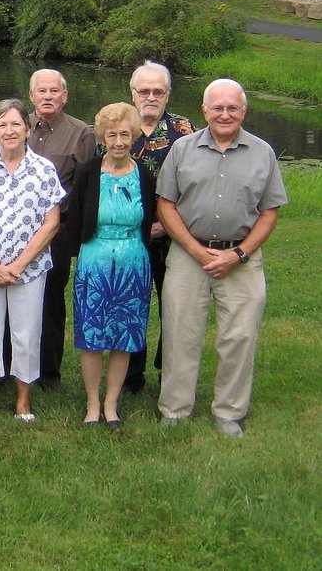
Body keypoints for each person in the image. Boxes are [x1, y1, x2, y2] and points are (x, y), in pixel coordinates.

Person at [156, 79, 287, 438]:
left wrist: (239, 254)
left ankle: (229, 412)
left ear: (243, 111)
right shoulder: (182, 149)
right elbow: (165, 205)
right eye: (217, 107)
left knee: (240, 336)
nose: (225, 114)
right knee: (180, 332)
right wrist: (196, 250)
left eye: (232, 108)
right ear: (205, 111)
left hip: (242, 257)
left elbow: (269, 212)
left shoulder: (262, 153)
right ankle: (175, 409)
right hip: (188, 254)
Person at [0, 99, 65, 423]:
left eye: (16, 124)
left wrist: (19, 265)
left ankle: (23, 401)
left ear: (27, 129)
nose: (9, 131)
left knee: (27, 333)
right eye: (2, 124)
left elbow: (51, 222)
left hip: (30, 269)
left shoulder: (44, 169)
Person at [67, 103, 156, 427]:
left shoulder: (144, 174)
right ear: (103, 137)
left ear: (134, 136)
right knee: (92, 334)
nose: (118, 141)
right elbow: (76, 217)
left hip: (133, 263)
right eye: (112, 135)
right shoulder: (89, 172)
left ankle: (111, 404)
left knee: (124, 334)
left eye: (125, 135)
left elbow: (150, 218)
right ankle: (93, 403)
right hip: (95, 260)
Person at [122, 61, 194, 393]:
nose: (150, 97)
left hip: (173, 236)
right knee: (131, 305)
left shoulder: (184, 130)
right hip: (128, 238)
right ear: (133, 93)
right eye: (144, 91)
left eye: (158, 91)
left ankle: (170, 373)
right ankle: (130, 376)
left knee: (174, 306)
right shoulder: (118, 125)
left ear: (167, 95)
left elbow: (194, 185)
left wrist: (165, 224)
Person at [28, 68, 95, 390]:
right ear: (32, 96)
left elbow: (84, 189)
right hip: (13, 229)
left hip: (57, 230)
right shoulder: (16, 125)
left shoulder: (80, 133)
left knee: (50, 299)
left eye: (54, 91)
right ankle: (11, 366)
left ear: (65, 96)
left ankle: (48, 372)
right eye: (41, 91)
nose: (48, 96)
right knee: (13, 295)